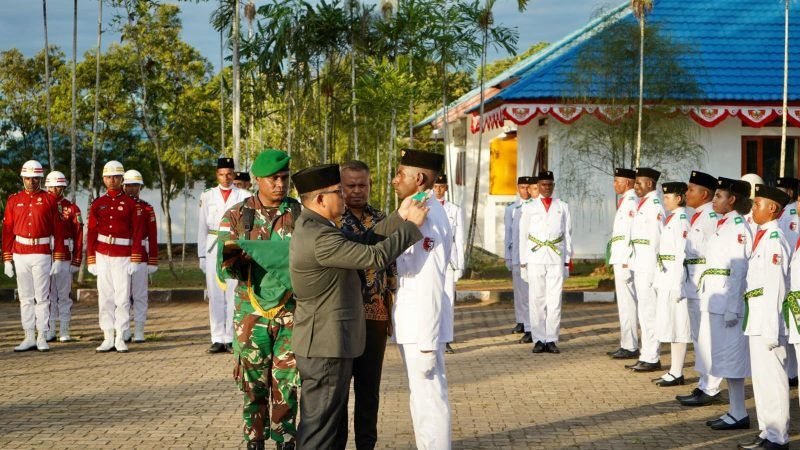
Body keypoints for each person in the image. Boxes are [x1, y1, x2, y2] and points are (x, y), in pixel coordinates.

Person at [290, 163, 427, 450]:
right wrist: (412, 226)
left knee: (320, 425)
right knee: (319, 431)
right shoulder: (321, 236)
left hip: (326, 342)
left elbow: (365, 240)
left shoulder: (317, 226)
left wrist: (400, 216)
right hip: (326, 345)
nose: (344, 195)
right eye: (338, 191)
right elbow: (375, 256)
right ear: (320, 199)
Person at [217, 149, 301, 450]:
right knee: (253, 387)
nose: (280, 184)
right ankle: (254, 441)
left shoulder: (300, 215)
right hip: (251, 316)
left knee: (287, 384)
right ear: (257, 180)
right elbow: (226, 264)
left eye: (284, 177)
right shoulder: (237, 215)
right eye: (273, 179)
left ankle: (286, 441)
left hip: (291, 313)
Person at [391, 149, 453, 449]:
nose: (394, 180)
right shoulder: (414, 207)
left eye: (399, 174)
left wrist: (428, 339)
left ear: (418, 178)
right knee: (421, 398)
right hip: (413, 324)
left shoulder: (426, 215)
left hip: (421, 326)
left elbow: (430, 278)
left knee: (430, 399)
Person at [337, 160, 397, 450]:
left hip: (375, 316)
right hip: (342, 318)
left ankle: (366, 446)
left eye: (363, 185)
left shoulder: (382, 219)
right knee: (338, 390)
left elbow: (391, 268)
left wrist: (390, 311)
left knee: (369, 389)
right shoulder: (333, 220)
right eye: (351, 186)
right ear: (340, 187)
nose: (358, 191)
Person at [682, 178, 752, 426]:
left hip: (727, 301)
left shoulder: (738, 227)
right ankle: (735, 410)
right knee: (721, 357)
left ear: (732, 200)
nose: (714, 199)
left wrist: (733, 307)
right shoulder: (724, 225)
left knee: (732, 358)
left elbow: (738, 269)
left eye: (719, 195)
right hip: (714, 297)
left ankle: (740, 413)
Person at [738, 185, 791, 450]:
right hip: (756, 318)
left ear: (772, 209)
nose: (753, 208)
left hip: (767, 320)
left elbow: (776, 287)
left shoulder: (775, 239)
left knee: (773, 380)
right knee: (761, 380)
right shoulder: (762, 236)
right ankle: (766, 431)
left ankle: (778, 437)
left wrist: (771, 328)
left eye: (757, 203)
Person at [4, 161, 67, 352]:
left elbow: (58, 230)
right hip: (20, 252)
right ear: (22, 178)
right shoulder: (13, 200)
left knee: (43, 297)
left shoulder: (49, 200)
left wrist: (58, 257)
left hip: (41, 252)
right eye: (28, 178)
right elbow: (7, 231)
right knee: (25, 297)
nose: (31, 182)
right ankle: (29, 335)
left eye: (35, 178)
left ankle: (42, 336)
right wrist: (7, 258)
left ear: (41, 179)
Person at [86, 160, 145, 353]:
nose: (112, 180)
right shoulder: (98, 204)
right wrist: (91, 259)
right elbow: (92, 232)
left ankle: (120, 335)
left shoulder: (131, 204)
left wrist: (135, 258)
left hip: (122, 255)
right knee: (105, 298)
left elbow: (137, 233)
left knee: (122, 298)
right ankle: (107, 336)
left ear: (122, 179)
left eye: (116, 177)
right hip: (102, 254)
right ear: (103, 179)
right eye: (109, 177)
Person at [676, 170, 722, 404]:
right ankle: (704, 381)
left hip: (704, 282)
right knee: (698, 336)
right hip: (693, 280)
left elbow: (712, 253)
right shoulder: (698, 216)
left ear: (704, 194)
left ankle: (711, 387)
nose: (686, 193)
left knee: (707, 337)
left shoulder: (711, 217)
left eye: (691, 189)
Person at [197, 157, 251, 353]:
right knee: (215, 293)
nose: (226, 177)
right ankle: (217, 337)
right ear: (216, 175)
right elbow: (202, 227)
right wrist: (201, 255)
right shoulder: (207, 196)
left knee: (232, 291)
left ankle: (231, 337)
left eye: (229, 174)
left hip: (232, 245)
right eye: (222, 174)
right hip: (213, 246)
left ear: (234, 174)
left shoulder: (244, 195)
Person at [520, 170, 572, 354]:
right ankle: (539, 338)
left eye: (550, 185)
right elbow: (523, 236)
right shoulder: (528, 207)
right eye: (543, 185)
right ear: (538, 186)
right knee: (536, 299)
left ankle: (551, 338)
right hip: (535, 257)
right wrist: (523, 263)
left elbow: (567, 235)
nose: (547, 188)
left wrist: (567, 261)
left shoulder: (562, 206)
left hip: (555, 257)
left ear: (553, 186)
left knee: (554, 300)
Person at [624, 167, 664, 371]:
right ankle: (646, 353)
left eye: (639, 183)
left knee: (649, 312)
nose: (635, 186)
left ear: (650, 184)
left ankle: (652, 356)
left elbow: (657, 239)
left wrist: (654, 265)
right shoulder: (644, 204)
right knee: (644, 311)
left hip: (649, 264)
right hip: (639, 261)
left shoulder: (655, 205)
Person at [653, 182, 690, 386]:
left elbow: (682, 254)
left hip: (674, 279)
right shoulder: (673, 218)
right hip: (666, 277)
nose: (665, 200)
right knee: (671, 325)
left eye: (668, 197)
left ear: (679, 198)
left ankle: (677, 371)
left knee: (679, 326)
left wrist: (678, 284)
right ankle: (674, 370)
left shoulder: (681, 220)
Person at [44, 170, 83, 343]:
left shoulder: (72, 208)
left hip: (66, 255)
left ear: (64, 187)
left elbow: (79, 235)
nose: (55, 190)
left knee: (63, 294)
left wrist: (77, 259)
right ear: (47, 186)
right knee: (47, 295)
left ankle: (64, 329)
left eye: (59, 187)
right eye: (52, 187)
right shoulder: (42, 206)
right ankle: (50, 329)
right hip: (44, 255)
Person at [121, 170, 158, 343]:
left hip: (141, 255)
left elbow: (153, 236)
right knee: (121, 296)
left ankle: (139, 330)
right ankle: (124, 329)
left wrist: (152, 259)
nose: (131, 189)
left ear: (141, 187)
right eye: (128, 185)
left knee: (139, 295)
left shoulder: (146, 208)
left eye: (135, 185)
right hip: (120, 254)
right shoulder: (119, 206)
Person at [607, 168, 640, 359]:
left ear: (627, 182)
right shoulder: (626, 201)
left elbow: (631, 233)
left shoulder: (631, 202)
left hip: (625, 259)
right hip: (619, 257)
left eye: (617, 181)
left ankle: (630, 345)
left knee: (628, 303)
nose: (614, 185)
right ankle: (627, 342)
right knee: (625, 304)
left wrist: (628, 260)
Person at [433, 173, 465, 354]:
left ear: (446, 188)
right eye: (436, 187)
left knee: (447, 301)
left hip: (449, 260)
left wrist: (460, 264)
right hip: (430, 258)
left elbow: (459, 239)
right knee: (432, 298)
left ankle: (445, 339)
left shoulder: (455, 209)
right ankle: (433, 336)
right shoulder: (425, 206)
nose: (438, 190)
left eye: (442, 186)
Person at [504, 176, 536, 342]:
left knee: (531, 292)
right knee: (520, 292)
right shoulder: (512, 209)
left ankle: (531, 324)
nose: (525, 191)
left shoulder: (535, 207)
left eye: (528, 187)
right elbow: (508, 234)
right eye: (522, 187)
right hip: (516, 254)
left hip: (532, 256)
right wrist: (507, 256)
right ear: (517, 188)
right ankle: (521, 321)